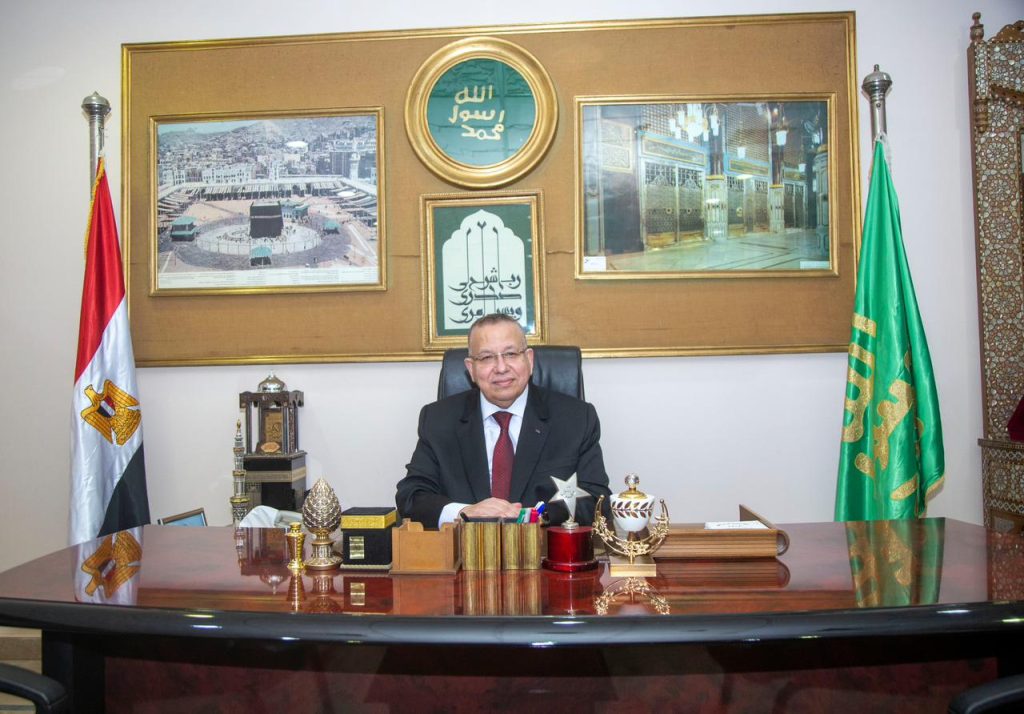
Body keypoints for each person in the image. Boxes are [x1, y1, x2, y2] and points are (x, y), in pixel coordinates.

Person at [396, 313, 611, 528]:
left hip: (544, 547)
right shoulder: (438, 420)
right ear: (471, 368)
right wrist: (463, 512)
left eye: (510, 354)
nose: (501, 368)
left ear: (529, 359)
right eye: (486, 357)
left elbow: (596, 499)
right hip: (465, 547)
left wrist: (535, 516)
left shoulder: (576, 419)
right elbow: (411, 497)